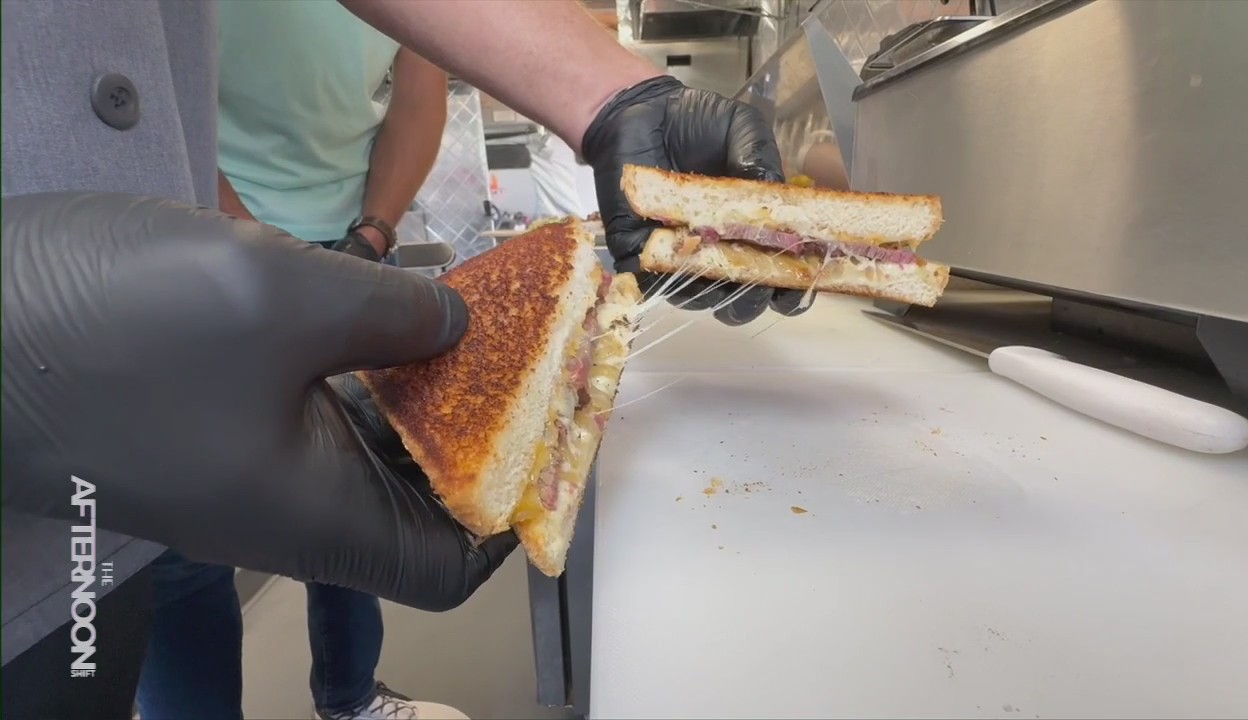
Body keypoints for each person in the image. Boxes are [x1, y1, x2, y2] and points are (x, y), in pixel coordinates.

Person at [0, 1, 808, 718]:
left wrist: (612, 97)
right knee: (167, 571)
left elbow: (414, 101)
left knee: (127, 604)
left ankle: (348, 697)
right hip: (164, 261)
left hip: (182, 290)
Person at [133, 3, 452, 718]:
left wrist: (369, 236)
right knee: (186, 539)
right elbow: (156, 107)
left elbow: (420, 92)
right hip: (190, 237)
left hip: (349, 246)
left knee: (348, 492)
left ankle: (350, 696)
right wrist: (259, 253)